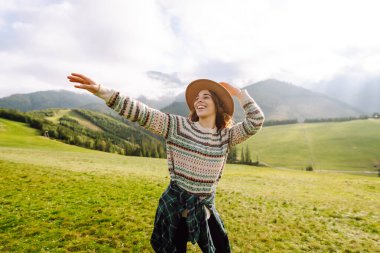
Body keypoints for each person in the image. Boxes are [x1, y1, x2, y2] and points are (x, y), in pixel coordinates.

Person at [67, 73, 265, 253]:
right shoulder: (176, 126)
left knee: (221, 249)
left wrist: (239, 94)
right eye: (197, 98)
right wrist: (102, 91)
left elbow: (256, 120)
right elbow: (141, 112)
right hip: (175, 207)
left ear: (218, 105)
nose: (199, 100)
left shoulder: (226, 137)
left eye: (206, 97)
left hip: (204, 207)